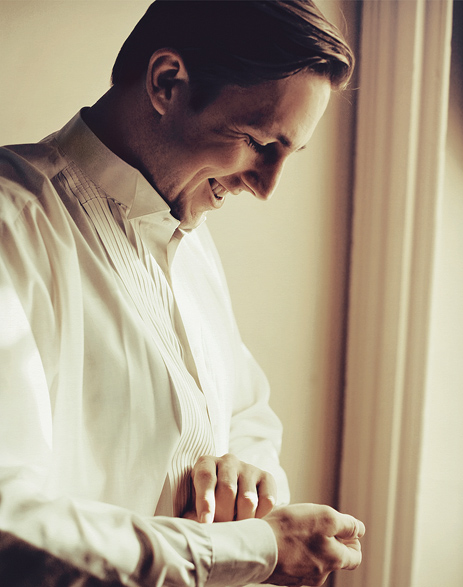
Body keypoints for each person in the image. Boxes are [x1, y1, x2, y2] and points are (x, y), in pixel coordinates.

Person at [0, 2, 365, 585]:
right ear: (167, 82)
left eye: (288, 155)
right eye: (256, 141)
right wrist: (255, 547)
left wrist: (246, 474)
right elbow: (8, 527)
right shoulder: (10, 227)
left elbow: (247, 409)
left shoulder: (191, 240)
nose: (267, 187)